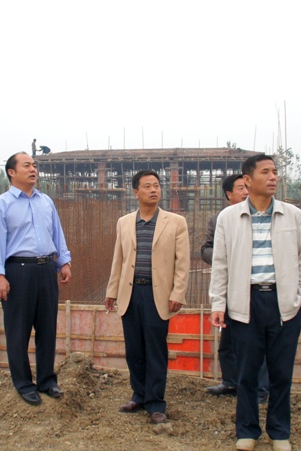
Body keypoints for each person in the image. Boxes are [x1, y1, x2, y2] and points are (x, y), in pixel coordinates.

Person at [209, 154, 301, 451]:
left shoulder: (292, 215)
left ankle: (279, 432)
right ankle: (247, 430)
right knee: (247, 372)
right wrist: (218, 303)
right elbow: (220, 264)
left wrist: (300, 294)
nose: (273, 177)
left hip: (284, 303)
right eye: (265, 172)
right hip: (245, 302)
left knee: (281, 372)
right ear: (247, 180)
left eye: (275, 171)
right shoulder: (229, 218)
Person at [0, 152, 72, 406]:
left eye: (34, 165)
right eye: (27, 166)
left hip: (46, 269)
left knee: (47, 328)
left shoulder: (46, 202)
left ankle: (47, 381)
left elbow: (57, 233)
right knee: (18, 331)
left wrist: (63, 261)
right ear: (12, 172)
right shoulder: (1, 205)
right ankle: (24, 383)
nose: (33, 169)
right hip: (18, 271)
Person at [104, 169, 190, 425]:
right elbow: (118, 259)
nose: (153, 190)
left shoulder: (175, 222)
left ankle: (155, 402)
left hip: (157, 295)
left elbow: (182, 263)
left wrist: (178, 292)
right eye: (147, 186)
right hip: (130, 293)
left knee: (155, 349)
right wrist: (111, 291)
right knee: (134, 349)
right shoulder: (124, 222)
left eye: (156, 185)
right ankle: (139, 395)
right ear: (136, 192)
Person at [202, 174, 269, 403]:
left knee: (257, 341)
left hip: (256, 288)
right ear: (229, 194)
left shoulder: (262, 217)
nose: (245, 191)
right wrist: (224, 256)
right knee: (228, 339)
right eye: (240, 188)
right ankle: (230, 381)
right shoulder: (219, 220)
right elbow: (206, 249)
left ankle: (260, 389)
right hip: (230, 288)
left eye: (247, 186)